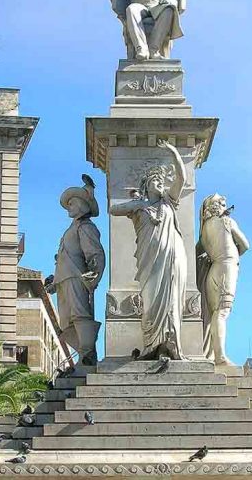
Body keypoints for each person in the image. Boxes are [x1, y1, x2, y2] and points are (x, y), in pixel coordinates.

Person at [110, 140, 187, 359]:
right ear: (146, 186)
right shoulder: (140, 208)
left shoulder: (169, 203)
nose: (159, 183)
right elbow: (113, 208)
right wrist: (138, 204)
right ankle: (151, 343)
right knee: (151, 300)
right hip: (149, 260)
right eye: (155, 180)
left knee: (171, 297)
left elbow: (182, 179)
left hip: (171, 257)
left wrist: (174, 152)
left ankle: (171, 343)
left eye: (161, 181)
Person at [46, 175, 105, 366]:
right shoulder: (71, 229)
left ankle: (87, 356)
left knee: (80, 316)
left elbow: (95, 253)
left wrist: (94, 275)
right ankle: (82, 354)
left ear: (81, 205)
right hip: (63, 280)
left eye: (72, 203)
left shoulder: (86, 227)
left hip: (76, 278)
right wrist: (54, 282)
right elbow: (64, 258)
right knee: (66, 322)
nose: (68, 207)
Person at [196, 194, 250, 366]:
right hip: (227, 267)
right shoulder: (227, 222)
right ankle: (220, 357)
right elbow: (245, 245)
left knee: (214, 313)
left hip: (213, 270)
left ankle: (213, 354)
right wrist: (232, 255)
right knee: (222, 312)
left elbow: (196, 252)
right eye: (223, 204)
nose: (226, 208)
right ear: (216, 207)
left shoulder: (203, 231)